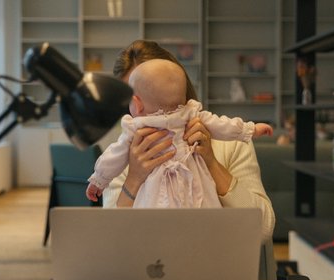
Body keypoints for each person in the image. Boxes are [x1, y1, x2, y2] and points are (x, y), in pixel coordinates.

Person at [102, 40, 275, 245]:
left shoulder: (232, 143)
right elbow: (112, 241)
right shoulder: (124, 156)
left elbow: (263, 229)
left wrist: (211, 163)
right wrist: (134, 178)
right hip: (147, 269)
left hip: (216, 270)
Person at [86, 58, 273, 208]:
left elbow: (113, 156)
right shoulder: (190, 114)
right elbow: (225, 125)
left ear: (136, 103)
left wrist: (98, 180)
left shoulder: (135, 128)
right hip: (164, 241)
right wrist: (251, 129)